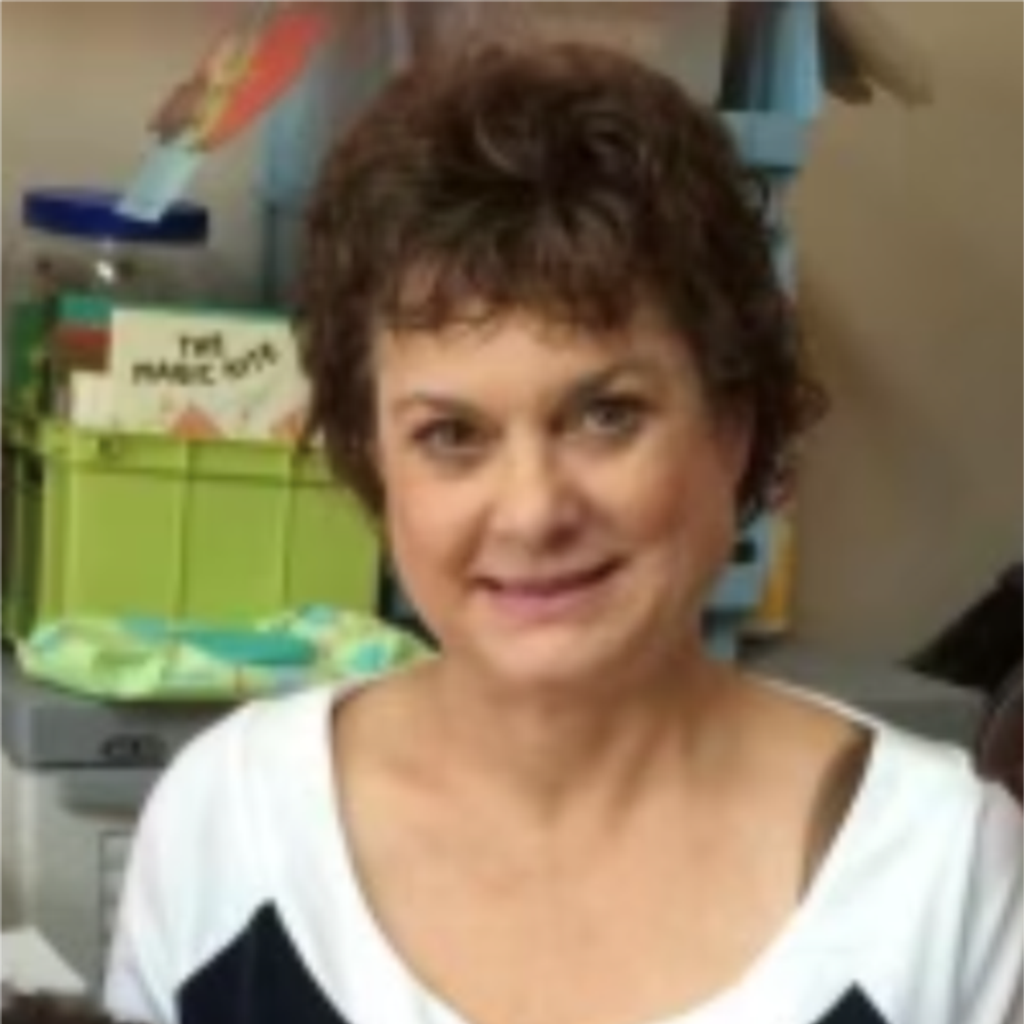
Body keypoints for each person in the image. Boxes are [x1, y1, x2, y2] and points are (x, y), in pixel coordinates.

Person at [104, 41, 1024, 1024]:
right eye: (451, 434)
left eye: (606, 415)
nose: (533, 510)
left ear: (731, 425)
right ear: (374, 460)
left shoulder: (939, 875)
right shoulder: (226, 825)